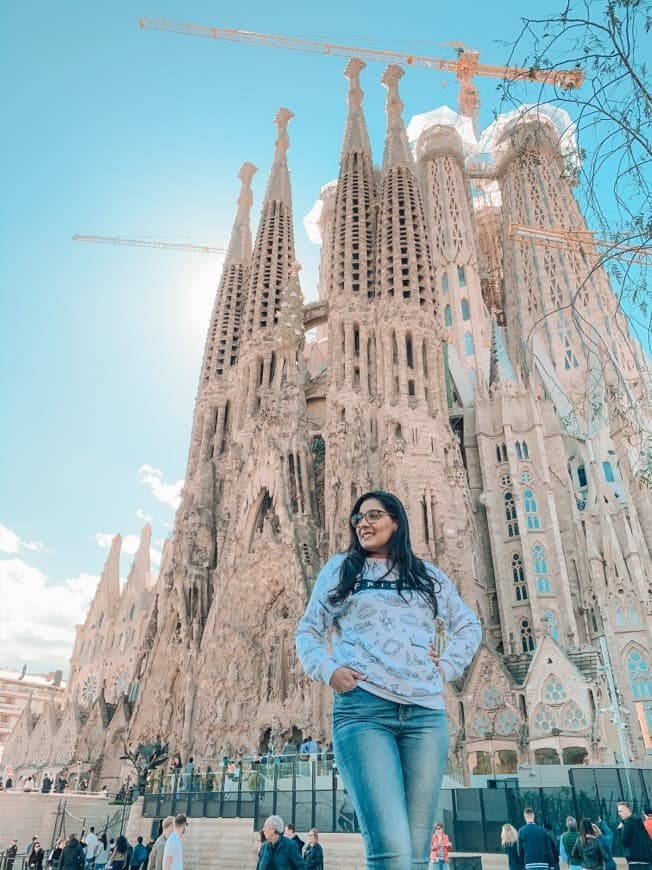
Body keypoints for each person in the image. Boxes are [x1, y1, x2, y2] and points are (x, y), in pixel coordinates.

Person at [296, 490, 482, 868]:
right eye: (357, 518)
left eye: (373, 515)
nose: (363, 523)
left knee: (414, 854)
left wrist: (445, 667)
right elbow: (307, 632)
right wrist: (330, 671)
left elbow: (467, 625)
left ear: (396, 521)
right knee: (392, 850)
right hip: (364, 711)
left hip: (426, 716)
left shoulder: (427, 576)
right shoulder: (342, 569)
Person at [617, 802, 652, 870]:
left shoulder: (629, 823)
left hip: (635, 860)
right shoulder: (639, 822)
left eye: (620, 811)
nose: (619, 814)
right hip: (646, 859)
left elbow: (625, 842)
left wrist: (619, 830)